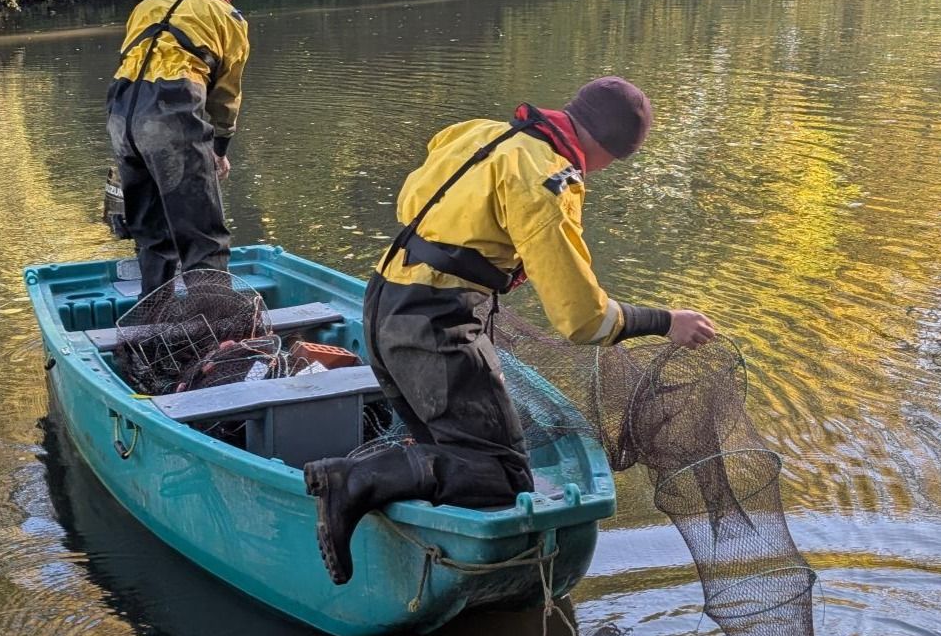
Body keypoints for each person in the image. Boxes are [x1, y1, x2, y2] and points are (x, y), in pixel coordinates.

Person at [304, 77, 717, 585]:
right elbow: (582, 319)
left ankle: (416, 530)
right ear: (609, 151)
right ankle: (353, 481)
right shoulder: (549, 179)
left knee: (446, 448)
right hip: (434, 328)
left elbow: (424, 198)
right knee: (503, 476)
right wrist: (665, 322)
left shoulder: (480, 133)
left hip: (383, 303)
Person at [106, 0, 250, 295]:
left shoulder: (148, 4)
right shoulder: (228, 16)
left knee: (151, 232)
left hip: (120, 113)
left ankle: (153, 315)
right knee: (203, 235)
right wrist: (219, 150)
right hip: (172, 111)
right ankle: (213, 327)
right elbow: (226, 94)